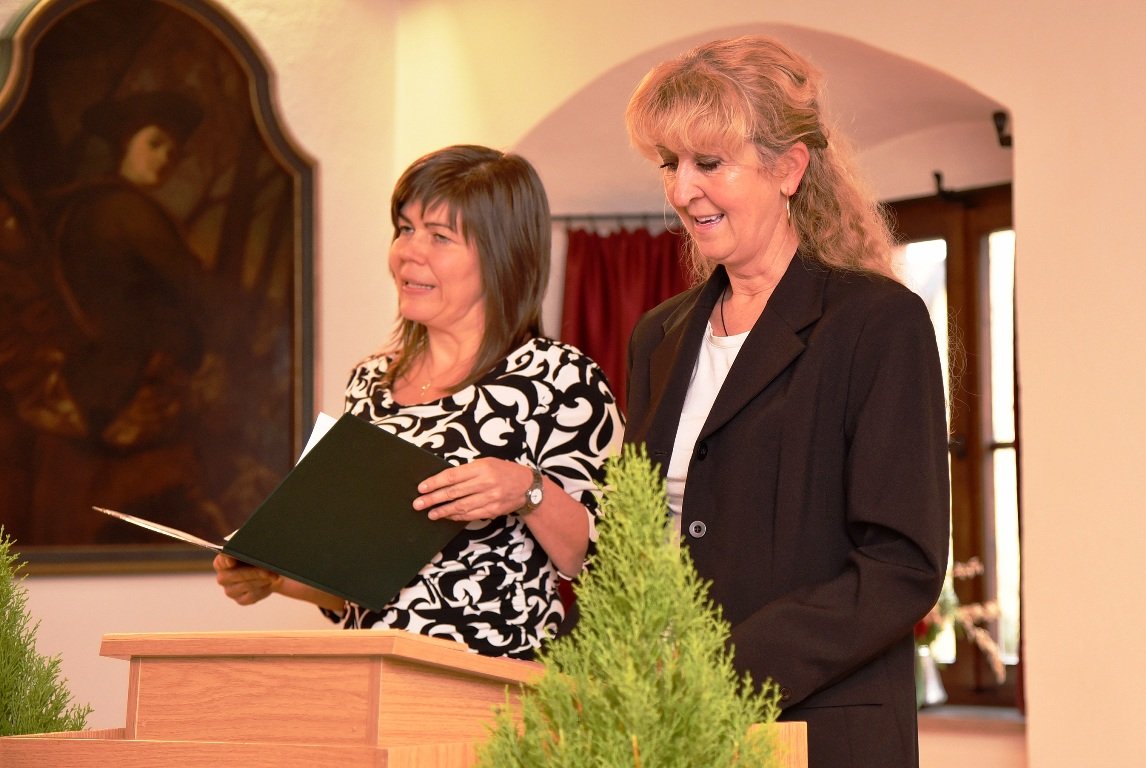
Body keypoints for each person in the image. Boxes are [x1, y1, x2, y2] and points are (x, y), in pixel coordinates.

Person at [622, 36, 950, 767]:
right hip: (674, 731)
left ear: (789, 168)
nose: (681, 191)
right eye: (670, 164)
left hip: (820, 730)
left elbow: (901, 564)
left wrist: (721, 669)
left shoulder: (877, 323)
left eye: (709, 163)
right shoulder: (659, 336)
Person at [215, 145, 624, 660]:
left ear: (502, 255)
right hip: (374, 682)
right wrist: (275, 578)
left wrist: (528, 490)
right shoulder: (368, 382)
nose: (410, 252)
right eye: (405, 229)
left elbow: (608, 562)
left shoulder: (559, 378)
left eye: (440, 236)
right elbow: (362, 588)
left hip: (494, 690)